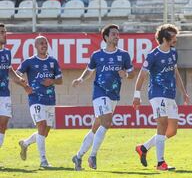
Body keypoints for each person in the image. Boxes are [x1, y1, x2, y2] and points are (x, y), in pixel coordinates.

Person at [71, 24, 134, 170]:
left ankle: (78, 156)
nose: (116, 36)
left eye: (118, 34)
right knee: (107, 121)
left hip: (114, 95)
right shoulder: (97, 55)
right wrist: (81, 79)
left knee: (96, 127)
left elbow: (132, 74)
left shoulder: (123, 55)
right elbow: (89, 70)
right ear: (106, 37)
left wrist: (126, 74)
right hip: (100, 93)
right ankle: (92, 156)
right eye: (113, 34)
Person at [133, 24, 190, 171]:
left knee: (172, 131)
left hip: (170, 95)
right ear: (165, 38)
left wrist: (183, 92)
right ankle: (160, 163)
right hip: (157, 94)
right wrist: (137, 95)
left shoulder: (173, 53)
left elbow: (175, 73)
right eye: (173, 37)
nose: (175, 39)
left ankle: (143, 148)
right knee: (162, 124)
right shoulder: (153, 55)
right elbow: (142, 75)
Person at [17, 35, 63, 168]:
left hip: (50, 100)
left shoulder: (53, 61)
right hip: (35, 98)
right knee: (41, 126)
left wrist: (52, 81)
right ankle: (43, 161)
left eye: (45, 43)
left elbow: (60, 80)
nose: (44, 45)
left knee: (45, 131)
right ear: (35, 46)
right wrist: (24, 85)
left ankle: (25, 143)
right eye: (41, 43)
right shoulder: (29, 62)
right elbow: (17, 74)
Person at [0, 23, 31, 154]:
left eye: (5, 32)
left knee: (3, 123)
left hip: (4, 93)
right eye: (1, 32)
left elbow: (9, 70)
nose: (4, 34)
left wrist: (21, 81)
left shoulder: (7, 53)